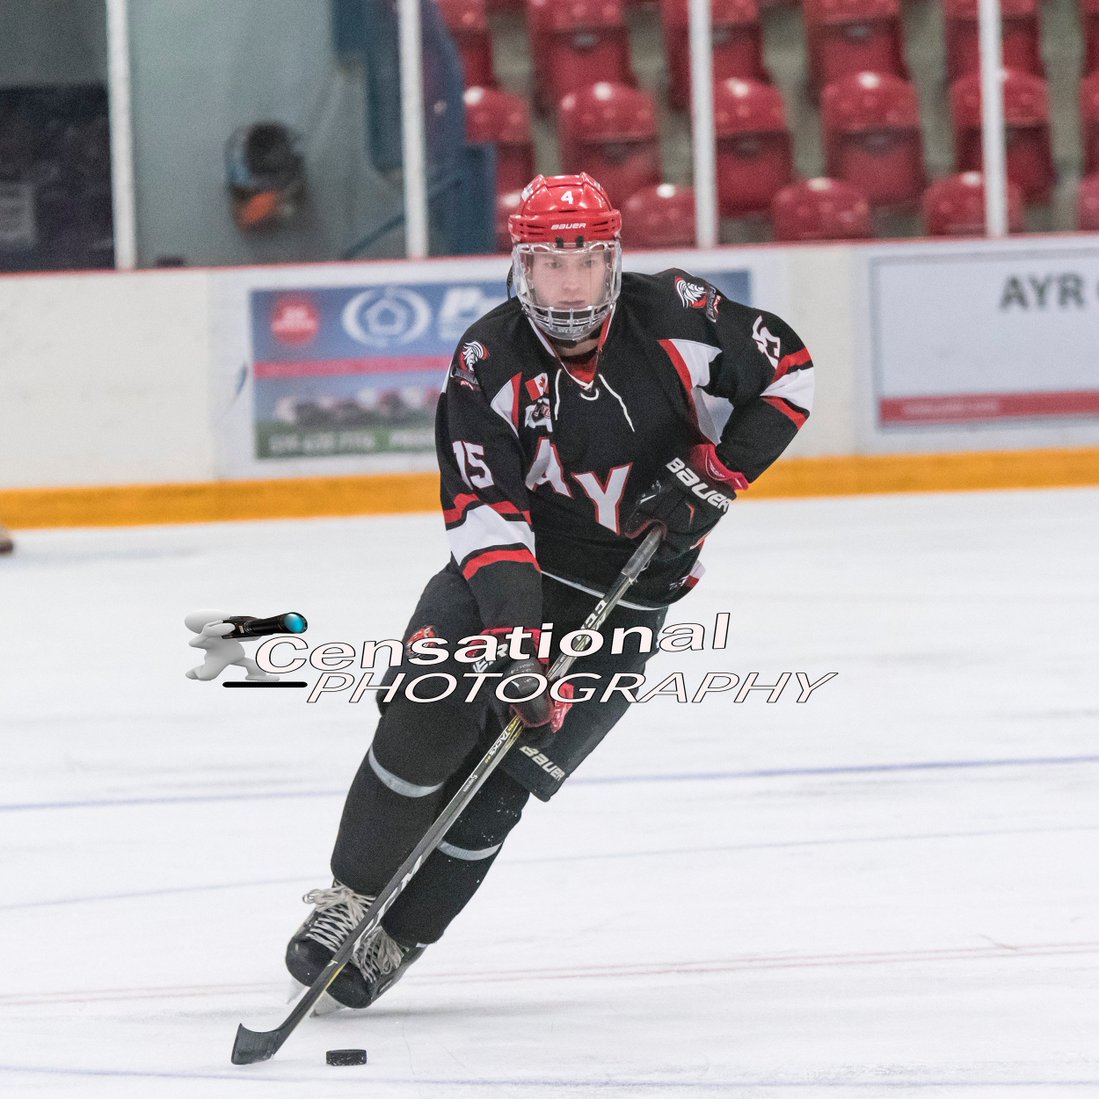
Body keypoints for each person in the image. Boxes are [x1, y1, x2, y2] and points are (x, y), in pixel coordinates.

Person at [284, 173, 815, 1009]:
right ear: (520, 267)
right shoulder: (486, 359)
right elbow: (487, 513)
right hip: (509, 580)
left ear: (612, 262)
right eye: (549, 265)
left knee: (508, 782)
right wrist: (515, 643)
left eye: (585, 263)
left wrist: (718, 471)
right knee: (431, 702)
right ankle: (352, 895)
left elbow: (788, 373)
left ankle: (399, 936)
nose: (569, 285)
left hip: (630, 601)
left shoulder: (679, 313)